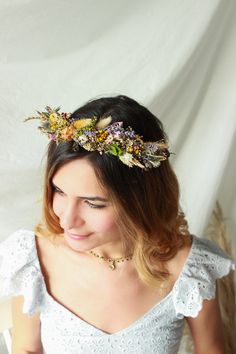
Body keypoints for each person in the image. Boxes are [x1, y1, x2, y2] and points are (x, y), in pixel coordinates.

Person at [0, 95, 234, 354]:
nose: (67, 220)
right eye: (59, 191)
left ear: (139, 200)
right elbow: (26, 349)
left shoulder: (188, 268)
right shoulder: (32, 261)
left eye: (93, 203)